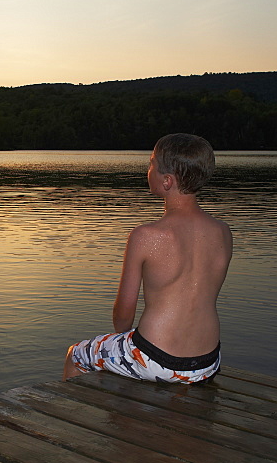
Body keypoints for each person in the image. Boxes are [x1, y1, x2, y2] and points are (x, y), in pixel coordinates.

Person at [63, 133, 232, 383]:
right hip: (207, 362)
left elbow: (124, 315)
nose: (147, 169)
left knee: (76, 354)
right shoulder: (223, 232)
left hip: (155, 359)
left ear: (166, 181)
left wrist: (122, 336)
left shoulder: (145, 236)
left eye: (151, 163)